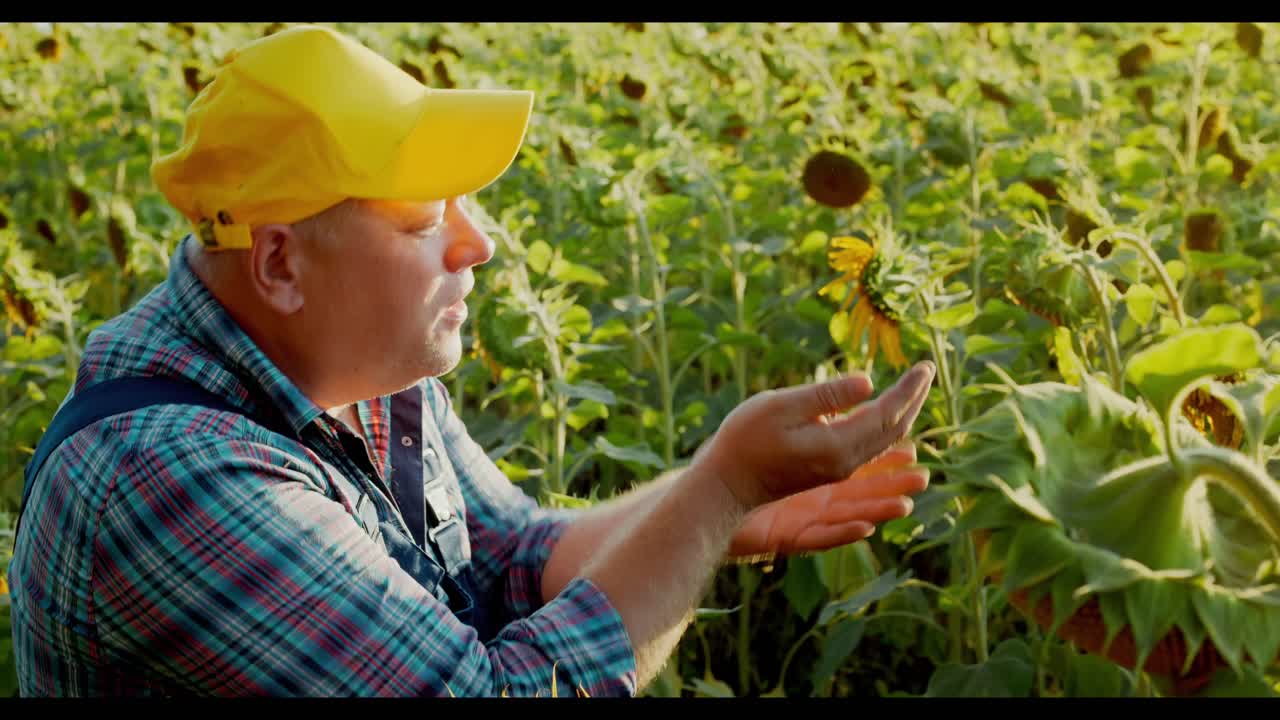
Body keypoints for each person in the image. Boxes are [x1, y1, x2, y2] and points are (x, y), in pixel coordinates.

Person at [6, 24, 935, 697]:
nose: (476, 244)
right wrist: (716, 494)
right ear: (280, 263)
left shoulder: (367, 374)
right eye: (420, 221)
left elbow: (514, 562)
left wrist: (722, 510)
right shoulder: (166, 478)